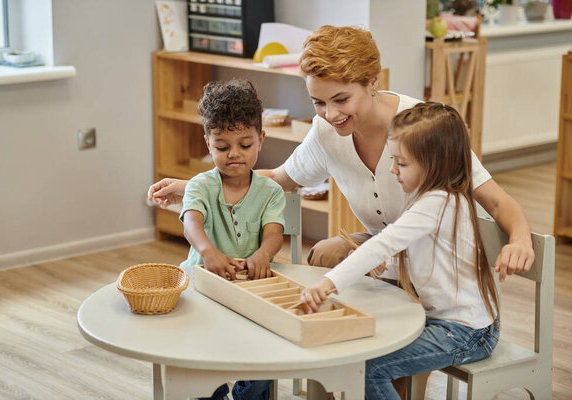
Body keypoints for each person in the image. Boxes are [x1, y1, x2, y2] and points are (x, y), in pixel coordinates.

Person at [148, 24, 534, 283]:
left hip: (437, 259)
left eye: (341, 99)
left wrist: (520, 241)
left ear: (372, 81)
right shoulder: (327, 131)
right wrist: (196, 186)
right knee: (325, 254)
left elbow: (497, 202)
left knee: (372, 330)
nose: (331, 115)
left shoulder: (423, 127)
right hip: (384, 248)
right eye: (318, 102)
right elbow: (281, 179)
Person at [300, 102, 500, 399]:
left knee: (372, 368)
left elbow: (384, 241)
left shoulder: (437, 203)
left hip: (466, 332)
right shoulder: (429, 198)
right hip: (447, 320)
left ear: (435, 163)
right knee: (364, 349)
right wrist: (390, 265)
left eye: (401, 163)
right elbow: (426, 259)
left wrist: (329, 283)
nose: (392, 170)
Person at [180, 79, 285, 400]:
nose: (234, 154)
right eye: (223, 147)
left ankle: (245, 391)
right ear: (208, 143)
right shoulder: (200, 185)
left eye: (245, 144)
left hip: (252, 286)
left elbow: (274, 233)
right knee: (202, 364)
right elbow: (192, 223)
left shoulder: (270, 191)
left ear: (261, 140)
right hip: (203, 288)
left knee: (269, 354)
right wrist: (207, 251)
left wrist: (263, 255)